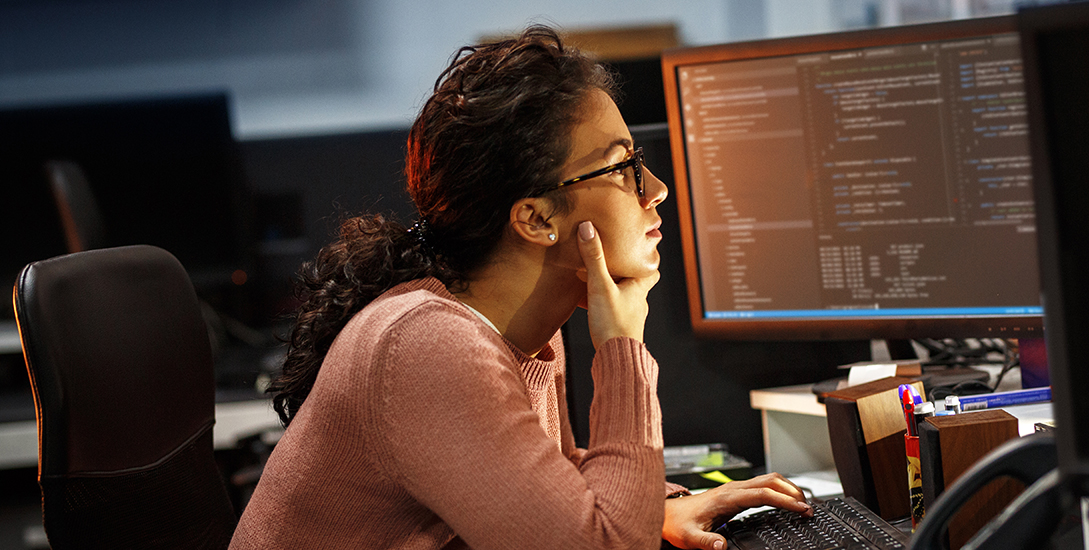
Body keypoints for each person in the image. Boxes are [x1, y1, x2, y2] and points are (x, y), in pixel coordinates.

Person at [230, 25, 812, 550]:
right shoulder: (428, 348)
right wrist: (622, 350)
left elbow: (543, 481)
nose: (654, 188)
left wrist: (659, 507)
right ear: (535, 219)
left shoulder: (521, 329)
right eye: (623, 167)